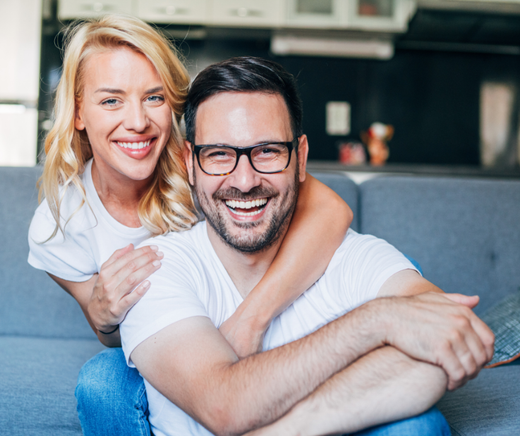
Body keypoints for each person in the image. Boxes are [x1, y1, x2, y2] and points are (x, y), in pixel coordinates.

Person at [121, 56, 495, 436]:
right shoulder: (155, 270)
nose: (245, 180)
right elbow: (224, 405)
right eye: (219, 154)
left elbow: (446, 347)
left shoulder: (355, 257)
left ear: (300, 159)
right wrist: (378, 320)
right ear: (189, 162)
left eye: (267, 151)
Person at [27, 17, 353, 435]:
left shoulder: (210, 168)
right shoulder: (56, 225)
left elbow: (332, 213)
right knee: (102, 382)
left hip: (259, 316)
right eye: (111, 101)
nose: (138, 121)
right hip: (174, 346)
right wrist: (101, 310)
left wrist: (249, 322)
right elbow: (110, 333)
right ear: (77, 114)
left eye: (154, 97)